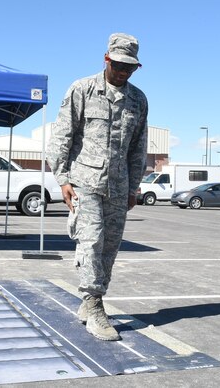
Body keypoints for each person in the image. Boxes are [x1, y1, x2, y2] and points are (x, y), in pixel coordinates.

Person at [47, 33, 148, 341]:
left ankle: (90, 299)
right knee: (90, 241)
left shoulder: (138, 100)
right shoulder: (82, 89)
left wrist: (133, 187)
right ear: (107, 59)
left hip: (119, 186)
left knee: (109, 248)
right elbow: (62, 135)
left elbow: (138, 148)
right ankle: (95, 306)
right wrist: (62, 178)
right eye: (118, 65)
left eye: (129, 68)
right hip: (85, 182)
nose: (122, 72)